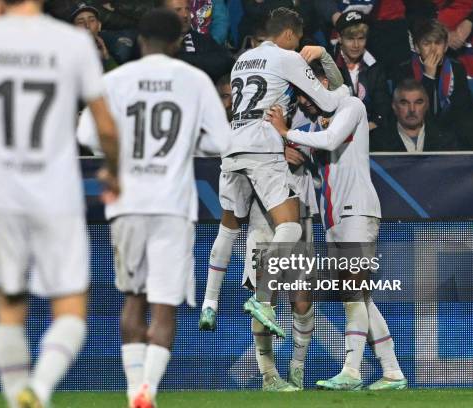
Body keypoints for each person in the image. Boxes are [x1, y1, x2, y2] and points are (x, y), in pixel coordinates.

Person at [0, 1, 119, 407]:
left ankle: (17, 398)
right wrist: (115, 171)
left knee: (10, 307)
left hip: (0, 190)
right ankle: (39, 388)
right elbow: (104, 124)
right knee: (70, 309)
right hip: (55, 191)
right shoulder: (73, 42)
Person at [98, 8, 229, 408]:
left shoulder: (116, 79)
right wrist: (187, 144)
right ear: (177, 43)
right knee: (164, 307)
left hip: (127, 205)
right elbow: (223, 141)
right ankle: (147, 392)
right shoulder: (194, 80)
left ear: (139, 40)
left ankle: (131, 392)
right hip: (172, 206)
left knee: (133, 301)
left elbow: (87, 130)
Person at [204, 7, 346, 340]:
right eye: (297, 39)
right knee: (291, 225)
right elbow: (326, 101)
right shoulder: (287, 57)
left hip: (232, 146)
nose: (298, 46)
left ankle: (209, 302)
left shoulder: (243, 58)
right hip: (261, 148)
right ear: (287, 35)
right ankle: (263, 297)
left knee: (228, 227)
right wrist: (344, 92)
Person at [266, 60, 407, 392]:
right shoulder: (314, 126)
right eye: (300, 93)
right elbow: (298, 146)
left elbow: (329, 141)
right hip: (334, 220)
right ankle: (393, 372)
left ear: (325, 82)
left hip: (357, 211)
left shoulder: (352, 106)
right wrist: (283, 144)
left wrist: (286, 132)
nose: (304, 99)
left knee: (352, 293)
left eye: (309, 87)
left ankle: (352, 370)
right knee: (362, 297)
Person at [395, 18, 473, 131]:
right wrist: (428, 77)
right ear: (417, 48)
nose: (433, 49)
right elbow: (409, 109)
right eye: (426, 44)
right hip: (416, 128)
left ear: (446, 47)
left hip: (450, 128)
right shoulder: (403, 69)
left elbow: (463, 107)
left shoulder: (457, 67)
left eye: (438, 43)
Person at [332, 10, 391, 135]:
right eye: (350, 39)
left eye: (361, 38)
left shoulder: (375, 67)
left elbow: (382, 107)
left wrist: (367, 128)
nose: (356, 45)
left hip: (370, 132)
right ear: (339, 38)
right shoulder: (329, 65)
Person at [371, 78, 457, 152]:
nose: (412, 109)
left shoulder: (446, 139)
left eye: (418, 102)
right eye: (404, 103)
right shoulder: (376, 141)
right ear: (394, 107)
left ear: (427, 105)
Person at [161, 0, 234, 81]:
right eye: (178, 10)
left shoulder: (203, 40)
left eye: (187, 9)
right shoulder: (157, 41)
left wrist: (185, 59)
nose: (185, 15)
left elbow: (226, 61)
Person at [70, 1, 118, 72]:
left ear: (99, 26)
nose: (87, 25)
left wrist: (106, 57)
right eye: (80, 22)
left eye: (92, 20)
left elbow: (118, 80)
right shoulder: (66, 55)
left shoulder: (107, 54)